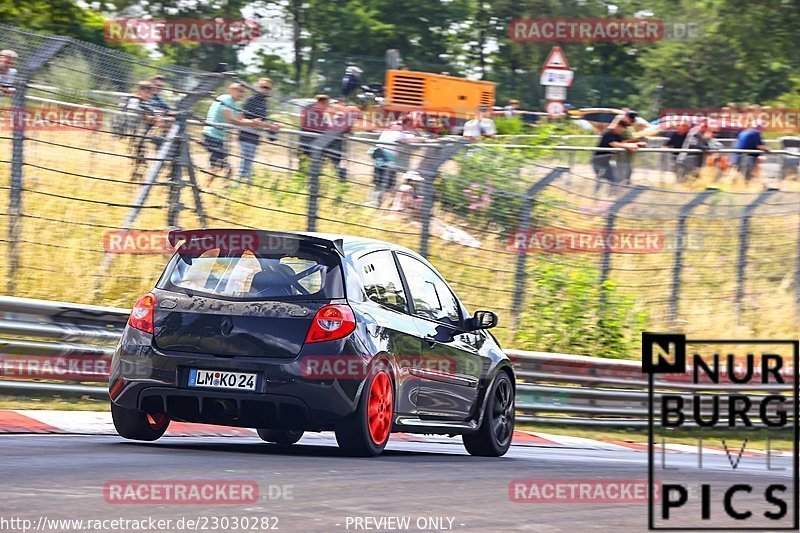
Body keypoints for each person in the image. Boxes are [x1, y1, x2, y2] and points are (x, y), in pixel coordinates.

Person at [202, 83, 269, 185]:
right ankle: (206, 187)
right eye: (239, 91)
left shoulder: (236, 104)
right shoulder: (225, 100)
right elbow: (232, 120)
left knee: (222, 166)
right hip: (211, 135)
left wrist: (254, 122)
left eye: (243, 92)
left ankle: (211, 186)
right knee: (219, 165)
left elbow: (240, 120)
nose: (241, 94)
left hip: (220, 138)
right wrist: (252, 123)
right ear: (231, 89)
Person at [367, 113, 425, 207]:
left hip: (379, 156)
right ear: (406, 124)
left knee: (378, 181)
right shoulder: (399, 133)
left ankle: (373, 201)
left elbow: (407, 136)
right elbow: (407, 140)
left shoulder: (391, 128)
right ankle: (377, 203)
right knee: (387, 183)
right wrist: (422, 139)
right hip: (386, 159)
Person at [238, 77, 280, 183]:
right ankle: (239, 186)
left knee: (248, 164)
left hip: (255, 138)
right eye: (263, 87)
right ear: (257, 87)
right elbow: (242, 118)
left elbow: (262, 121)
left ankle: (245, 185)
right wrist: (270, 126)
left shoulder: (264, 104)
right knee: (245, 165)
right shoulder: (251, 100)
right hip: (246, 136)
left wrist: (271, 127)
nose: (265, 90)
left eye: (268, 88)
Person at [300, 94, 349, 180]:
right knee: (309, 161)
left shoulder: (315, 110)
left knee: (312, 162)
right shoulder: (310, 111)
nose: (327, 106)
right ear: (321, 102)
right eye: (326, 104)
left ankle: (339, 176)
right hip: (310, 141)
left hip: (314, 141)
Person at [123, 81, 162, 181]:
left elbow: (151, 111)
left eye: (151, 94)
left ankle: (137, 174)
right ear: (139, 90)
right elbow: (132, 110)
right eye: (147, 93)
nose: (149, 96)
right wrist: (146, 117)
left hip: (139, 136)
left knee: (141, 155)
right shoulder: (133, 100)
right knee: (138, 155)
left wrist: (155, 117)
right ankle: (137, 175)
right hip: (128, 134)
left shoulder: (144, 103)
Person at [592, 119, 642, 190]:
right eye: (621, 129)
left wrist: (636, 144)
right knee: (607, 178)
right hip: (598, 160)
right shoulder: (608, 133)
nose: (621, 131)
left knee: (614, 179)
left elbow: (622, 143)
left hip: (606, 161)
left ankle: (610, 194)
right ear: (618, 126)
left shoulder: (617, 135)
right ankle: (598, 194)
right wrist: (628, 146)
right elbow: (614, 144)